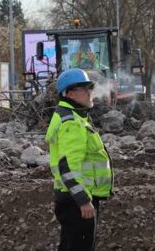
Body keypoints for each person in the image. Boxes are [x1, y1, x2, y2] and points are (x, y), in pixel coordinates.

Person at [46, 68, 113, 250]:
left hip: (73, 197)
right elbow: (67, 167)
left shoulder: (73, 117)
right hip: (77, 200)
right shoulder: (72, 123)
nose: (91, 92)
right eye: (85, 88)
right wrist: (83, 200)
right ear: (70, 93)